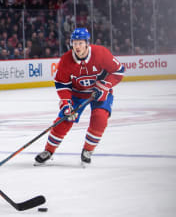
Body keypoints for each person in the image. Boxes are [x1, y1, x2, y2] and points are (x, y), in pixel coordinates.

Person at [34, 28, 125, 165]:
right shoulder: (66, 59)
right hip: (77, 94)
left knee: (100, 118)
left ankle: (88, 150)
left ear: (87, 43)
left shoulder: (101, 53)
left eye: (80, 43)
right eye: (75, 43)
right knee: (64, 120)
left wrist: (105, 85)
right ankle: (49, 150)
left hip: (99, 92)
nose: (77, 46)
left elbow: (119, 71)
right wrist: (66, 103)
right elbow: (62, 84)